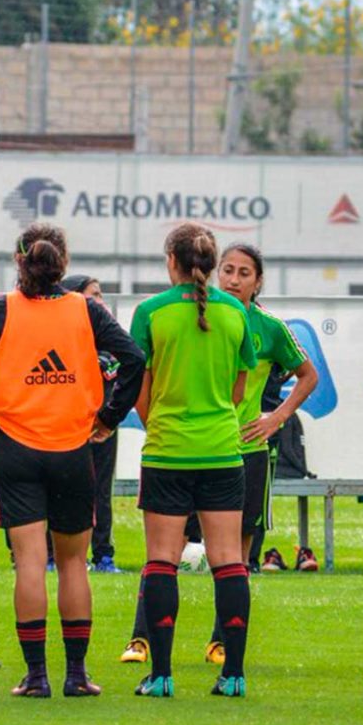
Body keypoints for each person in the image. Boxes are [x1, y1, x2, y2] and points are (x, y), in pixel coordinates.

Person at [0, 222, 143, 698]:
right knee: (73, 564)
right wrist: (110, 417)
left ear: (19, 262)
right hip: (72, 450)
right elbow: (133, 359)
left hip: (16, 450)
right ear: (63, 265)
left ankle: (36, 676)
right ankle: (75, 675)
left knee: (31, 563)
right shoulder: (86, 311)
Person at [129, 223, 256, 699]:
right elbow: (238, 390)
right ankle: (234, 675)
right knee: (229, 562)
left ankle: (161, 676)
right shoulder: (236, 313)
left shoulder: (150, 312)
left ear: (171, 261)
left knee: (161, 561)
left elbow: (139, 393)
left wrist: (161, 423)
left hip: (167, 451)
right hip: (223, 451)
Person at [196, 243, 318, 665]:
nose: (232, 279)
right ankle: (141, 638)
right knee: (169, 542)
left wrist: (277, 417)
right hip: (196, 447)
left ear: (258, 281)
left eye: (243, 273)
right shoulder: (199, 315)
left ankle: (221, 640)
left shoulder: (268, 327)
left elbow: (308, 375)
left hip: (247, 449)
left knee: (240, 549)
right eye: (226, 270)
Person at [61, 273, 124, 573]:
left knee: (101, 489)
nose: (100, 301)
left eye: (101, 295)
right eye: (93, 294)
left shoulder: (110, 340)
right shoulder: (61, 338)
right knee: (62, 490)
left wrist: (109, 418)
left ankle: (103, 555)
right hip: (65, 426)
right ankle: (52, 554)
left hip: (102, 428)